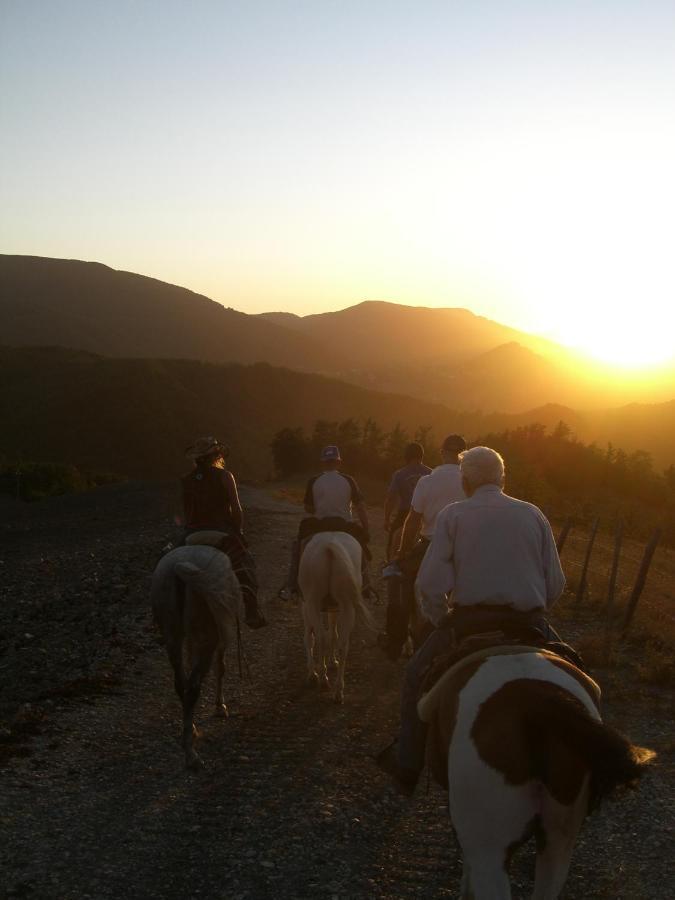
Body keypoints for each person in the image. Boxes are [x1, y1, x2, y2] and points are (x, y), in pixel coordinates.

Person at [376, 445, 566, 795]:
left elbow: (430, 585)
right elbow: (555, 584)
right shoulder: (533, 514)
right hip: (529, 623)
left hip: (468, 624)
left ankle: (408, 764)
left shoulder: (453, 515)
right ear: (502, 478)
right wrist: (534, 609)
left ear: (466, 481)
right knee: (578, 673)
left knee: (416, 676)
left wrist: (441, 620)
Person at [378, 434, 466, 660]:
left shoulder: (427, 481)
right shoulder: (471, 480)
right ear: (463, 454)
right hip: (465, 546)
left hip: (431, 545)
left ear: (442, 452)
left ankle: (395, 641)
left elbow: (413, 521)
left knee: (401, 584)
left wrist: (401, 552)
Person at [181, 436, 267, 629]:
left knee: (167, 558)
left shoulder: (186, 480)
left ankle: (165, 619)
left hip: (193, 534)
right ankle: (252, 611)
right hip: (220, 533)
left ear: (196, 458)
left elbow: (186, 514)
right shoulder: (225, 476)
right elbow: (237, 510)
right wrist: (239, 531)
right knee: (246, 566)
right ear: (217, 456)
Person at [281, 445, 372, 599]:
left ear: (323, 463)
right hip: (344, 525)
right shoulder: (349, 480)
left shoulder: (314, 481)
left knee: (299, 545)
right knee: (360, 546)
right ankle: (366, 584)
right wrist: (366, 528)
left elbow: (309, 508)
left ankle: (292, 585)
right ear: (339, 462)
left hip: (320, 525)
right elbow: (361, 507)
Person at [383, 442, 431, 559]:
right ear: (422, 456)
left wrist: (386, 519)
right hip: (427, 514)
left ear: (406, 456)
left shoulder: (399, 474)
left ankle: (390, 563)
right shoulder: (432, 473)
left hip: (405, 513)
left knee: (393, 540)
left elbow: (391, 498)